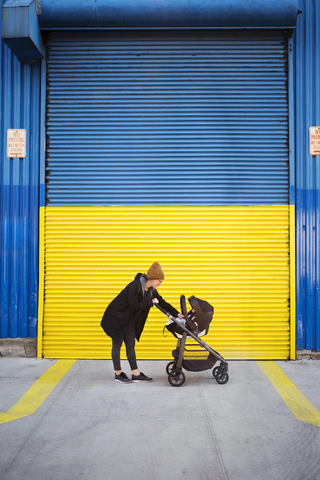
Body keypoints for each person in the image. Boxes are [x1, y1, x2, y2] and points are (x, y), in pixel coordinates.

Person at [101, 262, 184, 383]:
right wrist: (151, 303)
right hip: (117, 318)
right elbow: (133, 305)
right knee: (117, 344)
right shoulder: (134, 286)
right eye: (159, 281)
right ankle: (118, 373)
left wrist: (176, 313)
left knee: (130, 345)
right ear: (153, 278)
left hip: (129, 319)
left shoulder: (151, 290)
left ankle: (135, 374)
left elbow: (161, 302)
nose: (160, 284)